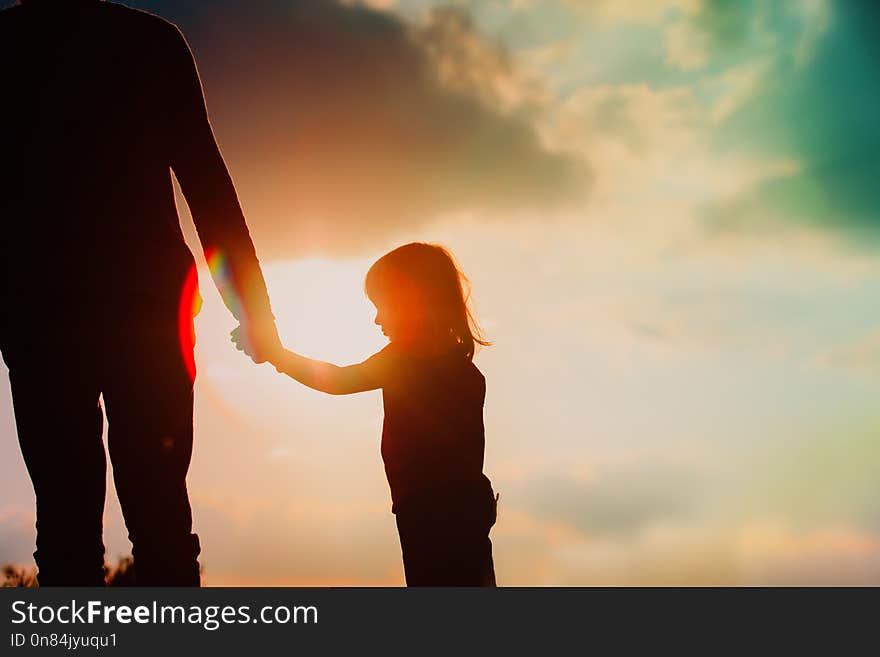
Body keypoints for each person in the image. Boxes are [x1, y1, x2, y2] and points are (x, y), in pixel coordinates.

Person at [0, 0, 280, 585]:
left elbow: (208, 182)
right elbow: (208, 184)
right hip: (145, 313)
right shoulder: (151, 41)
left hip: (44, 318)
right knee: (160, 522)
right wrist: (253, 310)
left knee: (67, 526)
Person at [234, 243, 498, 586]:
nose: (376, 319)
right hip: (460, 510)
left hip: (428, 511)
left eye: (382, 306)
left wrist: (277, 355)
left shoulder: (403, 363)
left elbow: (339, 380)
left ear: (411, 301)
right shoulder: (462, 372)